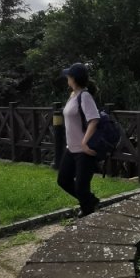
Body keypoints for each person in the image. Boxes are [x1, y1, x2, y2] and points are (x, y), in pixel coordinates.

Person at [57, 62, 101, 215]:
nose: (67, 78)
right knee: (63, 180)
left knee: (81, 188)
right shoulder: (73, 95)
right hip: (71, 149)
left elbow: (94, 119)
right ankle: (90, 201)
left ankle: (88, 212)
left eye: (68, 76)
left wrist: (84, 142)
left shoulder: (85, 96)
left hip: (84, 151)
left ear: (74, 78)